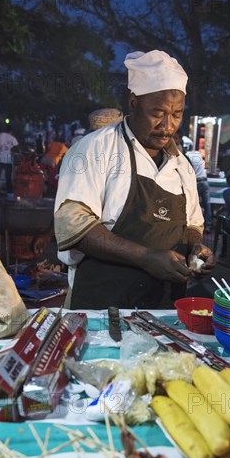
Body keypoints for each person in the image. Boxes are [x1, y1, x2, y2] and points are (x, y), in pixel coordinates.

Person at [54, 49, 215, 309]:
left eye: (176, 114)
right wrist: (147, 257)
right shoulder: (95, 149)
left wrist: (197, 249)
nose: (168, 125)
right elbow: (73, 227)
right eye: (158, 112)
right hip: (103, 307)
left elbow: (193, 225)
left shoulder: (182, 166)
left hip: (166, 309)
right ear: (133, 103)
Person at [186, 143, 212, 233]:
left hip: (196, 182)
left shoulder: (186, 156)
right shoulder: (198, 154)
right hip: (204, 181)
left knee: (194, 204)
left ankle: (194, 225)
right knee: (207, 204)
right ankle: (208, 226)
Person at [0, 127, 19, 199]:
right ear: (11, 132)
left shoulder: (0, 135)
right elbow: (17, 146)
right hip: (8, 160)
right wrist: (11, 148)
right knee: (8, 178)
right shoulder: (12, 138)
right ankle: (10, 195)